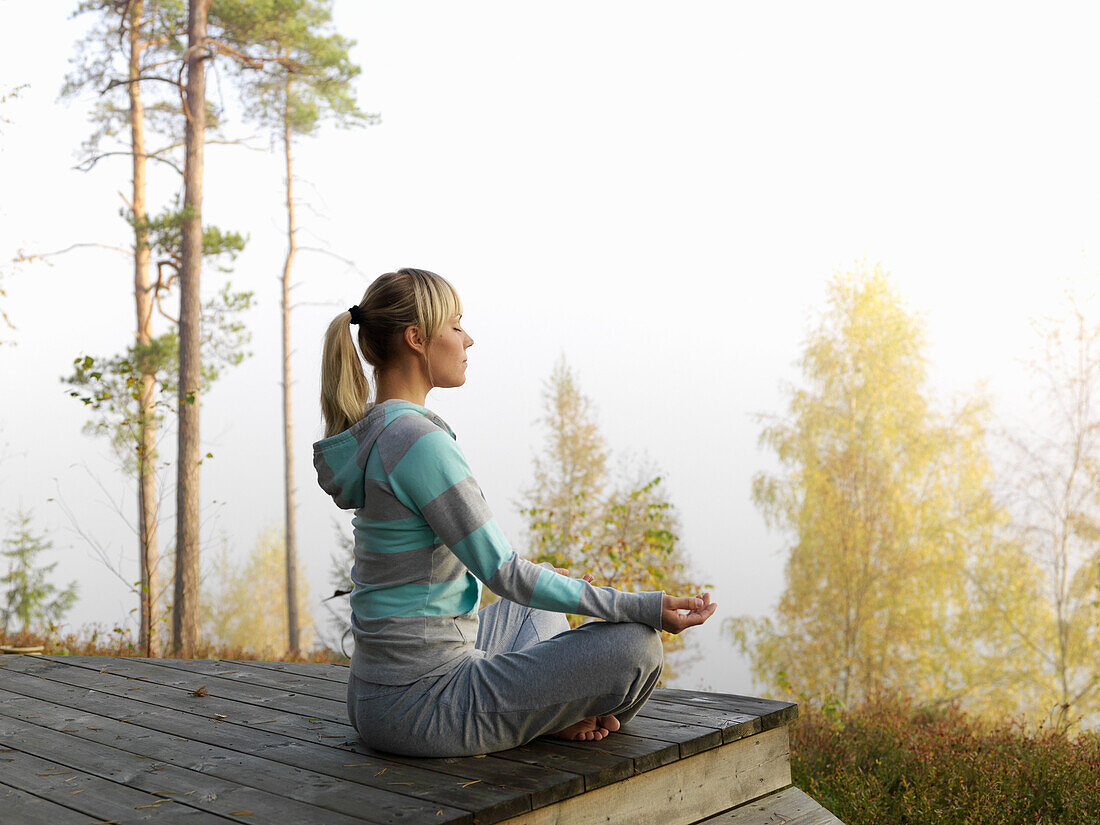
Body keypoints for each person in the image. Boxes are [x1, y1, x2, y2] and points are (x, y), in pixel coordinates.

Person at [314, 268, 717, 757]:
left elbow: (505, 581)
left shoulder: (382, 431)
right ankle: (557, 715)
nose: (469, 339)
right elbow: (504, 572)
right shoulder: (418, 442)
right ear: (417, 338)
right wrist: (645, 607)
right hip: (419, 704)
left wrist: (550, 589)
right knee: (638, 646)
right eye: (456, 325)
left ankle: (553, 713)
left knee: (540, 601)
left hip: (379, 694)